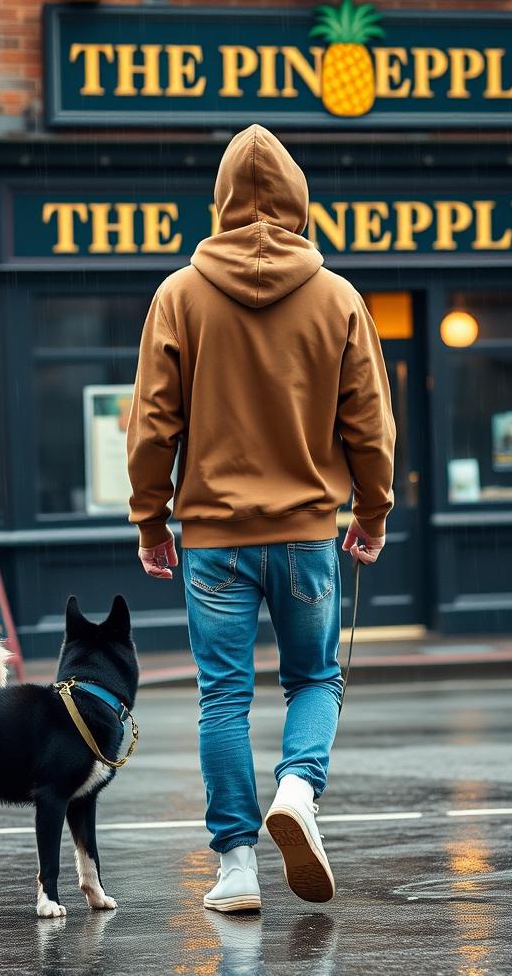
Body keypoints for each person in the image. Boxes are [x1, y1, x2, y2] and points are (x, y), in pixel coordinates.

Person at [125, 123, 396, 912]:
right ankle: (299, 792)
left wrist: (151, 522)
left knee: (222, 697)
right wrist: (372, 513)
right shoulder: (338, 297)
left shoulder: (178, 294)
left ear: (218, 204)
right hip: (309, 534)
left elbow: (151, 426)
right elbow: (369, 426)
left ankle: (236, 867)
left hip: (213, 542)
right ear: (297, 201)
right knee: (315, 677)